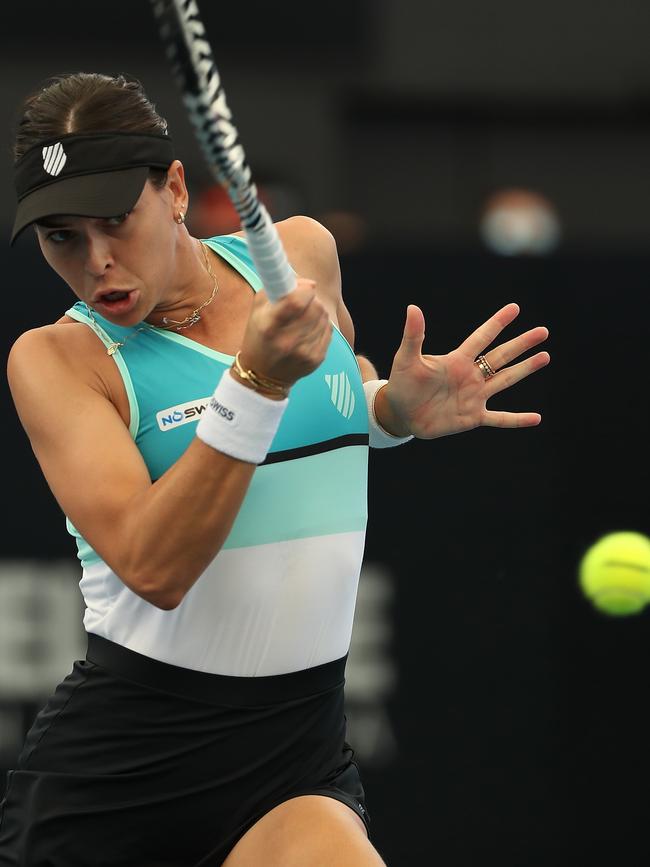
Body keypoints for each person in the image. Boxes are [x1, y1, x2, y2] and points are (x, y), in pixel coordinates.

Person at [0, 73, 550, 867]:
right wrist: (252, 381)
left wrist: (391, 411)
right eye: (62, 239)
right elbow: (155, 564)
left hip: (293, 757)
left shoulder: (301, 256)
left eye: (116, 221)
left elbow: (329, 404)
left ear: (176, 188)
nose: (98, 262)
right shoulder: (60, 359)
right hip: (119, 776)